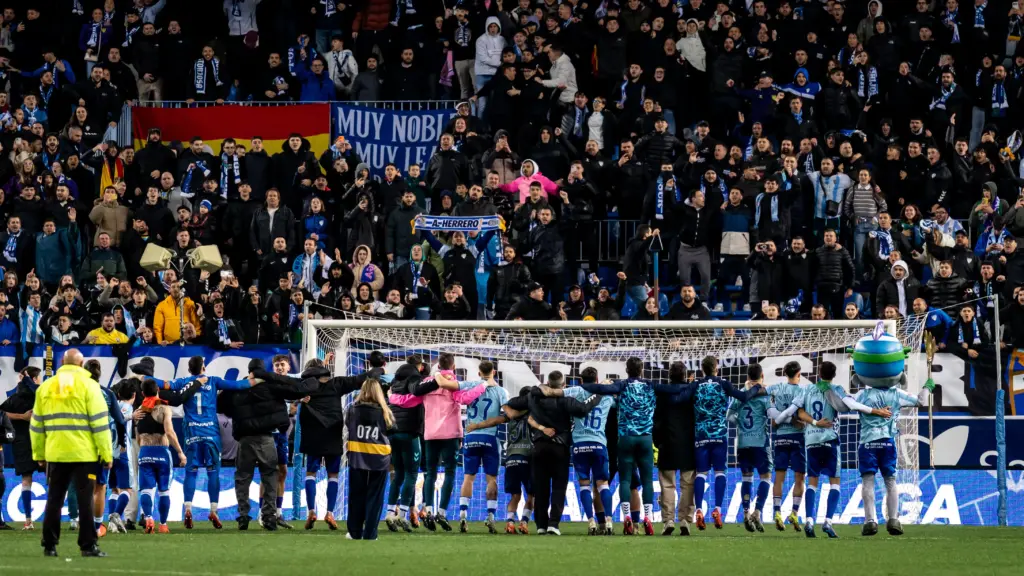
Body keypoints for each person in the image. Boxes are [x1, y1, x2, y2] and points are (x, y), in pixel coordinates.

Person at [250, 356, 377, 530]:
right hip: (333, 432)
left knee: (311, 473)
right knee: (333, 475)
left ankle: (311, 511)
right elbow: (359, 379)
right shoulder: (337, 383)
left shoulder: (304, 386)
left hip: (312, 434)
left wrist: (262, 374)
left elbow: (283, 381)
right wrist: (378, 369)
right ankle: (330, 513)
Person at [774, 361, 891, 538]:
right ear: (834, 375)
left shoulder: (807, 390)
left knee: (812, 482)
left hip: (811, 440)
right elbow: (853, 405)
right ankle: (828, 521)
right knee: (834, 482)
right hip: (830, 439)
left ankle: (809, 521)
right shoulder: (836, 389)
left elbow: (794, 412)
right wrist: (877, 411)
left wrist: (780, 420)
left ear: (819, 372)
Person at [389, 353, 488, 531]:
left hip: (430, 434)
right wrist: (483, 386)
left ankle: (427, 510)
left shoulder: (429, 383)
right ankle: (441, 512)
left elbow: (409, 401)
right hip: (450, 434)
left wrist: (391, 397)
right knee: (449, 472)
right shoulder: (453, 382)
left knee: (430, 473)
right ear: (453, 366)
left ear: (438, 366)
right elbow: (464, 398)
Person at [159, 356, 257, 530]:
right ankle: (213, 510)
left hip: (192, 433)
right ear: (203, 368)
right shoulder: (214, 381)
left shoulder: (183, 382)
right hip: (211, 434)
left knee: (191, 472)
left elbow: (162, 384)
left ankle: (188, 508)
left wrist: (143, 378)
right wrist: (261, 378)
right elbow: (239, 385)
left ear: (190, 370)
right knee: (213, 473)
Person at [32, 349, 112, 557]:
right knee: (85, 500)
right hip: (84, 454)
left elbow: (37, 425)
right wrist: (106, 453)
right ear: (81, 363)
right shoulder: (90, 386)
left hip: (55, 453)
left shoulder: (45, 387)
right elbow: (100, 423)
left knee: (54, 499)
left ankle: (49, 544)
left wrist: (39, 453)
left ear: (61, 362)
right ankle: (88, 546)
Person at [519, 370, 600, 535]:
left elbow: (522, 399)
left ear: (548, 384)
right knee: (558, 487)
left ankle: (541, 525)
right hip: (560, 448)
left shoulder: (535, 398)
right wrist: (597, 395)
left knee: (540, 488)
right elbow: (584, 409)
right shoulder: (566, 401)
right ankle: (553, 524)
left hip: (539, 447)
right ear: (563, 386)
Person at [854, 378, 933, 536]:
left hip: (867, 443)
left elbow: (845, 404)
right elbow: (920, 401)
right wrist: (927, 388)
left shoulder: (861, 394)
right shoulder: (897, 393)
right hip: (887, 443)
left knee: (868, 481)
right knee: (890, 481)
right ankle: (893, 520)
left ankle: (870, 521)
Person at [560, 367, 616, 535]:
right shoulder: (606, 396)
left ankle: (591, 522)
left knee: (584, 485)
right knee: (603, 485)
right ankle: (609, 521)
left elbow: (559, 393)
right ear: (597, 379)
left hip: (579, 445)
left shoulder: (574, 391)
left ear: (581, 380)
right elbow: (617, 400)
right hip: (599, 444)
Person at [457, 361, 508, 533]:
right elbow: (507, 414)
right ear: (494, 372)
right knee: (491, 479)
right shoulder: (501, 392)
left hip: (470, 437)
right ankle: (491, 517)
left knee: (468, 478)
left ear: (479, 373)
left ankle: (463, 514)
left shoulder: (471, 387)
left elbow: (455, 389)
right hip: (490, 438)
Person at [135, 378, 192, 534]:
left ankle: (148, 518)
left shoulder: (139, 410)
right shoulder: (164, 408)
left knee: (146, 490)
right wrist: (180, 452)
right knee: (164, 490)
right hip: (162, 452)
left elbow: (138, 436)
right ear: (158, 391)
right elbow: (169, 432)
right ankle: (163, 524)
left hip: (145, 452)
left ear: (142, 393)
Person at [344, 378, 395, 541]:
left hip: (357, 456)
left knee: (356, 495)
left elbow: (347, 425)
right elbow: (392, 429)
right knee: (375, 496)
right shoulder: (385, 411)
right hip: (379, 458)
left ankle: (354, 532)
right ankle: (370, 533)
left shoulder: (352, 410)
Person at [726, 364, 772, 532]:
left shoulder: (740, 394)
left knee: (746, 478)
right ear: (762, 376)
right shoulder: (765, 396)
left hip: (743, 443)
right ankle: (757, 512)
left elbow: (729, 416)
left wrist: (739, 422)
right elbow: (772, 415)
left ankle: (745, 513)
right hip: (760, 443)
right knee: (765, 477)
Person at [0, 367, 45, 530]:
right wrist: (24, 416)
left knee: (26, 480)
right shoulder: (41, 396)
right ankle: (54, 518)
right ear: (33, 379)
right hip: (42, 443)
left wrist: (19, 417)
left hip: (21, 443)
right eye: (38, 378)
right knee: (53, 479)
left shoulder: (15, 398)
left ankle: (28, 521)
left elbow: (1, 412)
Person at [766, 361, 807, 532]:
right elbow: (804, 414)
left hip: (780, 437)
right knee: (800, 478)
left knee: (779, 476)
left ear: (784, 373)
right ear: (798, 373)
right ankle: (794, 513)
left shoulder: (776, 388)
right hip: (798, 437)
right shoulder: (803, 391)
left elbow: (763, 394)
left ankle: (776, 512)